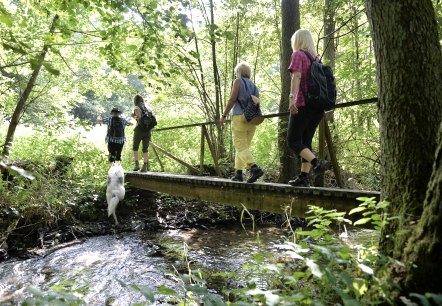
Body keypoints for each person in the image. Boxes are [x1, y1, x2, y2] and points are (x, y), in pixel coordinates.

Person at [286, 29, 330, 187]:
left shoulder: (298, 54)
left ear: (297, 40)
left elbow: (296, 76)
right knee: (305, 141)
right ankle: (304, 177)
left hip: (303, 105)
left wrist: (292, 99)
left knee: (292, 140)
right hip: (317, 107)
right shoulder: (316, 58)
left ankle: (317, 162)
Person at [220, 62, 264, 183]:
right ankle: (238, 173)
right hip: (252, 120)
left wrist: (223, 115)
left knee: (240, 146)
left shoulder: (238, 81)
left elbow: (232, 99)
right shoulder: (254, 86)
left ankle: (254, 168)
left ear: (238, 72)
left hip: (239, 117)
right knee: (243, 147)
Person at [132, 94, 153, 172]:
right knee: (145, 149)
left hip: (139, 130)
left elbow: (138, 117)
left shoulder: (136, 107)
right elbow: (151, 118)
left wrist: (134, 116)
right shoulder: (148, 108)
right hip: (148, 131)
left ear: (135, 101)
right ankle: (145, 166)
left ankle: (136, 165)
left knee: (135, 147)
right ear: (142, 100)